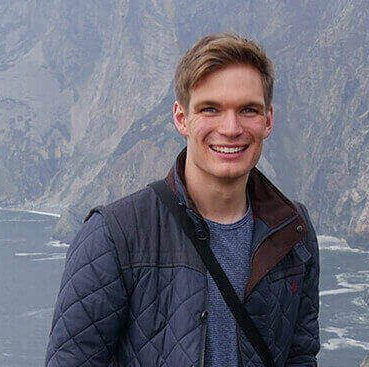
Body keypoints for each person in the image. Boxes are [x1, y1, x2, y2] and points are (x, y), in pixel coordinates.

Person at [44, 33, 320, 367]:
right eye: (210, 109)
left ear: (268, 121)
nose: (231, 128)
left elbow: (300, 357)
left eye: (248, 110)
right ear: (181, 118)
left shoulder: (292, 232)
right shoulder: (114, 236)